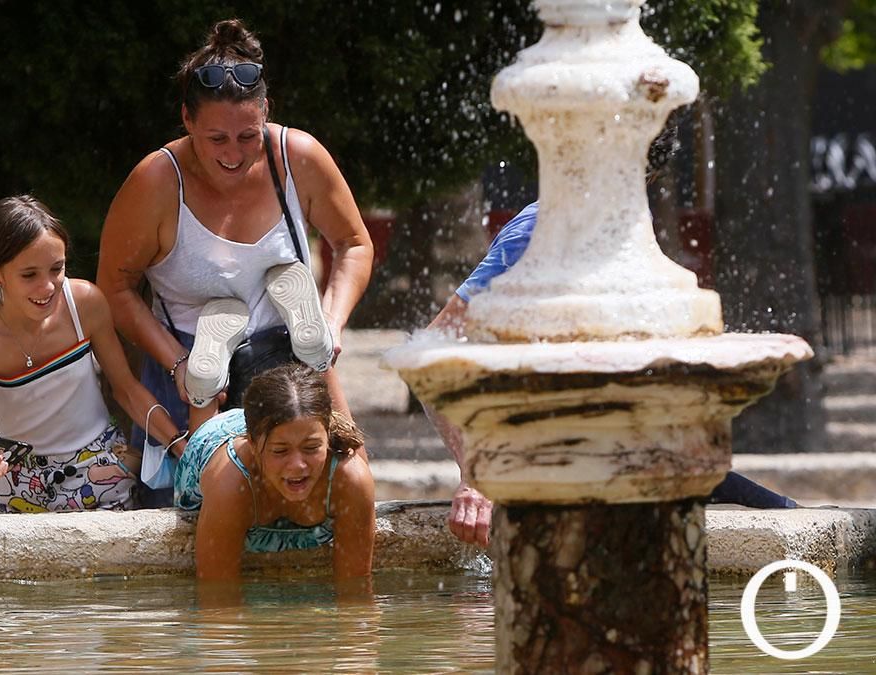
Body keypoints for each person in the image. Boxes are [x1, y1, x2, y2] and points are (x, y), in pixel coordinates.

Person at [96, 19, 374, 506]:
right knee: (192, 511)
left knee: (324, 502)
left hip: (289, 363)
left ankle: (312, 337)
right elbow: (114, 287)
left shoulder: (298, 156)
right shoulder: (157, 181)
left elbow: (354, 244)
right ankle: (205, 370)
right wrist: (176, 361)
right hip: (184, 356)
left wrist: (332, 322)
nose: (233, 154)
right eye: (216, 139)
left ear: (266, 111)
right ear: (186, 120)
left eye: (248, 136)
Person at [429, 200, 798, 544]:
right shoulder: (541, 231)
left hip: (641, 459)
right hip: (552, 466)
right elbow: (435, 349)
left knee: (788, 523)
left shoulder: (629, 225)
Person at [0, 195, 185, 513]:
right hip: (21, 485)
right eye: (29, 275)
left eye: (57, 269)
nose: (48, 287)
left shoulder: (84, 302)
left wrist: (181, 446)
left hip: (102, 469)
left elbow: (126, 389)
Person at [174, 362, 375, 580]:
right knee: (218, 469)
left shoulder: (350, 479)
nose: (298, 465)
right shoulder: (230, 484)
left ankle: (322, 357)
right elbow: (216, 601)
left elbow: (357, 595)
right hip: (216, 440)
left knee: (360, 466)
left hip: (273, 431)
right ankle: (204, 382)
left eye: (311, 448)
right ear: (251, 444)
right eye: (281, 452)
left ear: (326, 437)